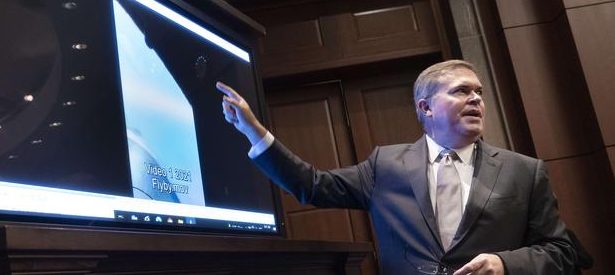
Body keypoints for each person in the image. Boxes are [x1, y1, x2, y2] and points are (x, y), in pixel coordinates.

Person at [216, 60, 577, 275]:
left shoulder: (525, 171)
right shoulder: (385, 166)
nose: (476, 99)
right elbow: (312, 185)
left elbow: (563, 252)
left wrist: (504, 265)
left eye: (479, 92)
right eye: (461, 91)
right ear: (426, 108)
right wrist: (254, 132)